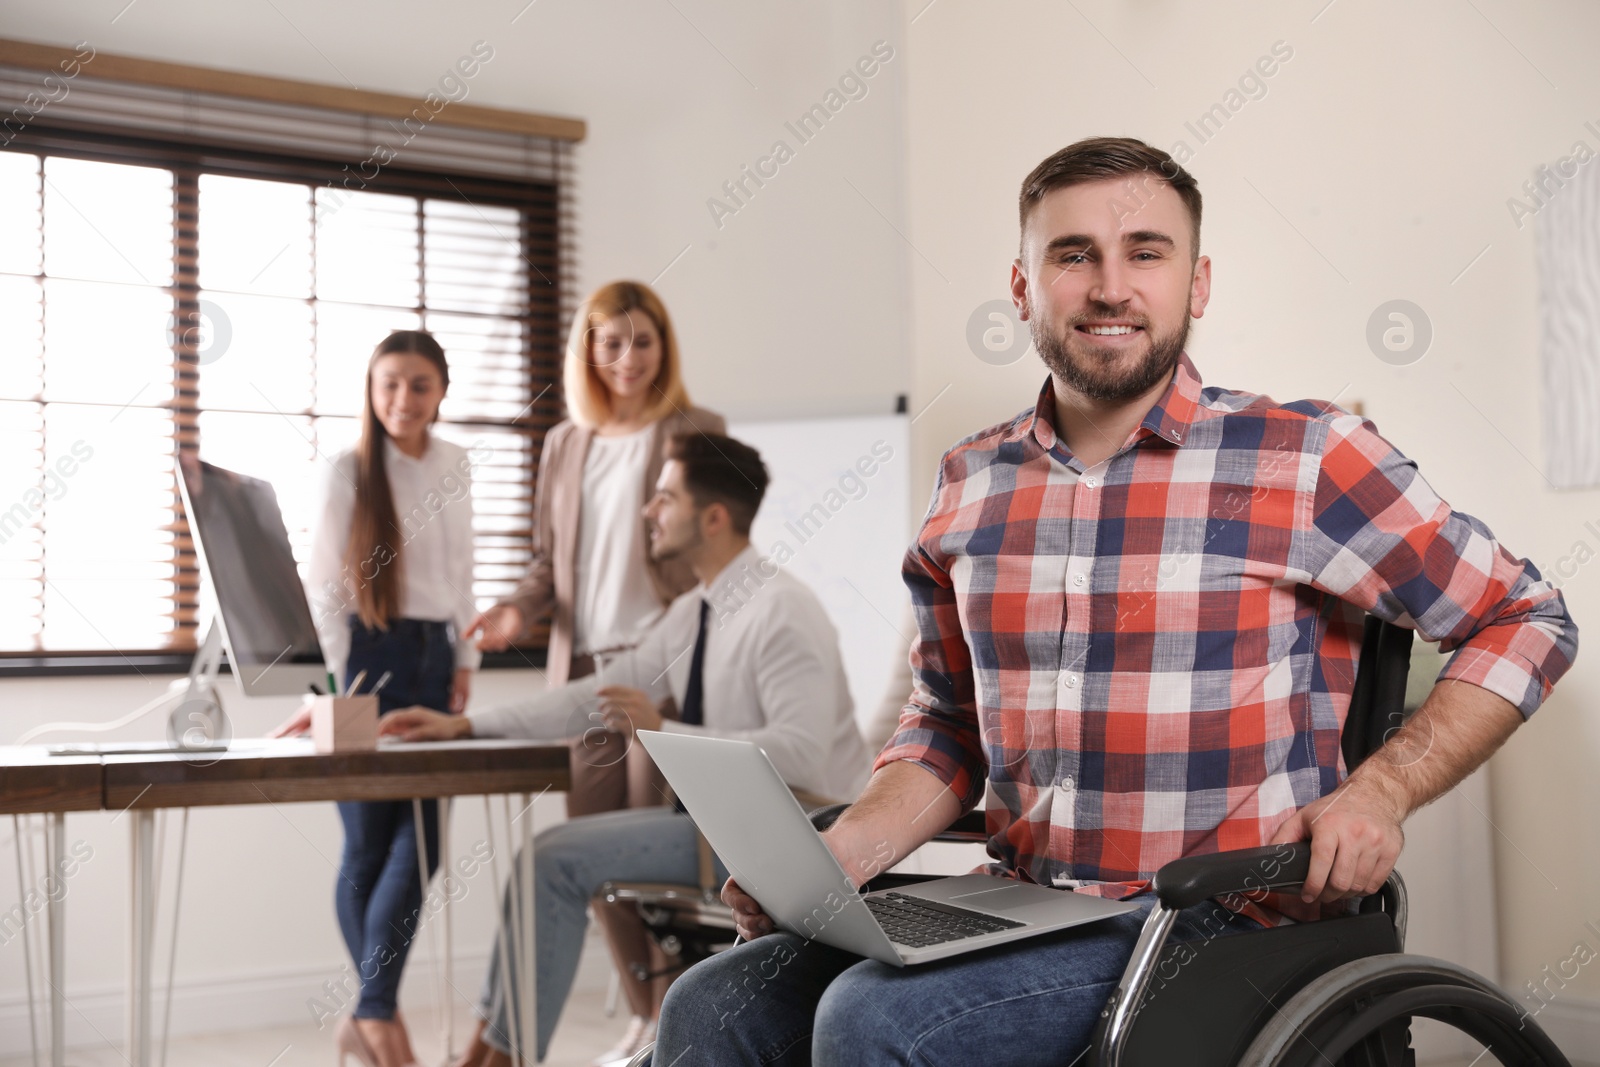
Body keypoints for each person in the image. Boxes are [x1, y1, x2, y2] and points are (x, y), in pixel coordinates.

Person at [650, 137, 1581, 1066]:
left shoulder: (1305, 458)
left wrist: (1380, 789)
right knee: (715, 1002)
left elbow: (1526, 615)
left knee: (873, 1019)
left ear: (1197, 282)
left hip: (1218, 922)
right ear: (1021, 286)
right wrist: (845, 852)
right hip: (1019, 906)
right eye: (1072, 254)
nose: (1110, 286)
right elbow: (947, 724)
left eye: (1146, 251)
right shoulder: (971, 485)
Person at [380, 432, 872, 1066]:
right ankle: (496, 1049)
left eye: (665, 498)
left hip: (793, 836)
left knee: (551, 858)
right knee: (548, 855)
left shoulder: (782, 611)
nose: (648, 511)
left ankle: (498, 1055)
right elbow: (593, 694)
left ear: (713, 517)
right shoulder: (697, 609)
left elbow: (801, 758)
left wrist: (663, 735)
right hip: (723, 831)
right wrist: (467, 726)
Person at [463, 280, 722, 1059]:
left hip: (663, 670)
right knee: (589, 844)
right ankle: (645, 1008)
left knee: (653, 848)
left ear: (663, 348)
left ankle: (674, 1008)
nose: (628, 358)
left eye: (643, 341)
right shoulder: (566, 444)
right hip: (584, 673)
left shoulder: (695, 430)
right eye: (612, 343)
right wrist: (514, 610)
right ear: (590, 350)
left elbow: (716, 546)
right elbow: (548, 563)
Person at [273, 329, 481, 1067]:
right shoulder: (345, 471)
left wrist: (466, 659)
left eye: (419, 384)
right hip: (363, 654)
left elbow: (462, 575)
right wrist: (339, 686)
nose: (402, 398)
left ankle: (365, 1015)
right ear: (371, 387)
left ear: (442, 392)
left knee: (419, 843)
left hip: (433, 657)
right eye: (388, 382)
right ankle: (377, 1018)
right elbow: (323, 588)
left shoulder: (456, 464)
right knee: (367, 843)